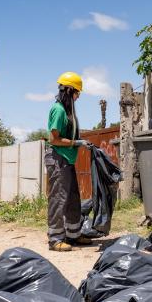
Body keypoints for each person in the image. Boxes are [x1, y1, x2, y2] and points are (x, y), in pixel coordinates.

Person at [45, 71, 92, 252]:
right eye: (77, 92)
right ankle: (55, 239)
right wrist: (76, 143)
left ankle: (73, 234)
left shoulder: (68, 110)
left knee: (73, 198)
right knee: (58, 199)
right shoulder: (58, 110)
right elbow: (53, 139)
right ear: (69, 91)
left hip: (67, 160)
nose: (78, 96)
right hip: (58, 159)